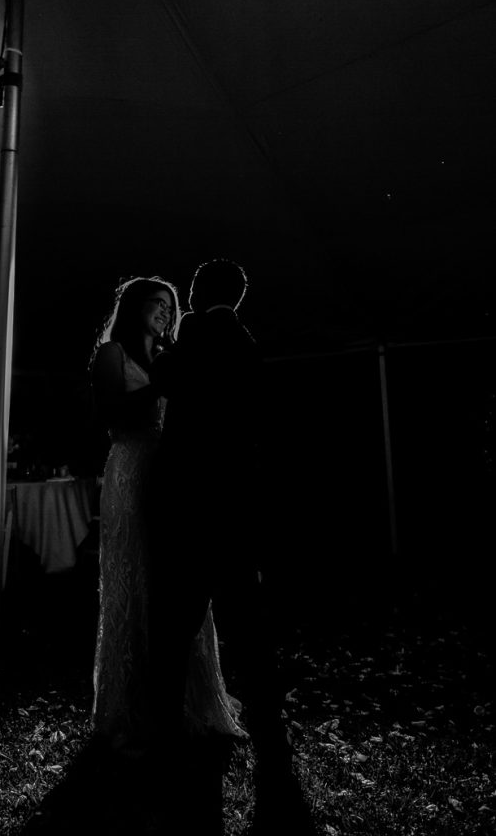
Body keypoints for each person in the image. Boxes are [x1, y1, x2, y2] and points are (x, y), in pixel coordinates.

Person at [147, 258, 316, 833]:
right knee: (246, 626)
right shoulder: (247, 343)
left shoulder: (197, 335)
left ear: (198, 293)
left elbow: (164, 381)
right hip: (236, 509)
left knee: (174, 624)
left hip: (189, 508)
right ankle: (271, 737)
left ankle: (164, 732)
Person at [89, 275, 245, 760]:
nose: (165, 313)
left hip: (175, 476)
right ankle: (131, 707)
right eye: (157, 303)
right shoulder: (112, 354)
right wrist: (157, 387)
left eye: (170, 306)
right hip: (131, 468)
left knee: (174, 585)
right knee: (135, 580)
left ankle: (191, 702)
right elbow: (108, 411)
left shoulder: (171, 353)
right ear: (135, 306)